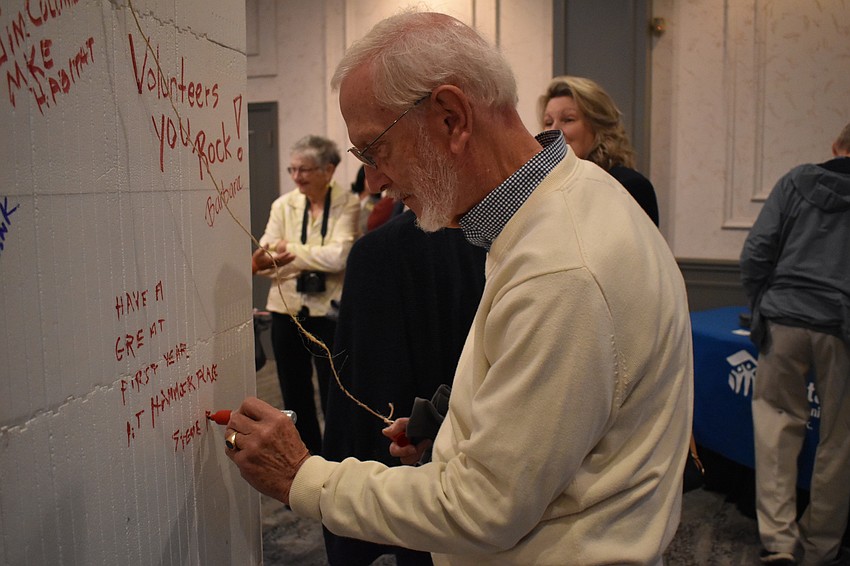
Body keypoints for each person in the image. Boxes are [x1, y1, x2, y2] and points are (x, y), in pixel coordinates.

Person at [228, 11, 692, 564]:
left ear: (451, 118)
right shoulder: (569, 198)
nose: (374, 181)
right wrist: (455, 425)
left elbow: (482, 509)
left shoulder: (562, 270)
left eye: (376, 151)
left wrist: (302, 476)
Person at [321, 208, 487, 565]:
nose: (375, 177)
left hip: (453, 465)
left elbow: (359, 393)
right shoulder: (495, 239)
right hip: (450, 440)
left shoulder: (377, 252)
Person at [740, 122, 850, 566]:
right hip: (841, 327)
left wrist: (763, 304)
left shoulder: (796, 181)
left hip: (784, 317)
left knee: (775, 430)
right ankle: (822, 546)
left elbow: (756, 251)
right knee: (839, 442)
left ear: (836, 145)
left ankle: (779, 543)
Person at [252, 134, 360, 455]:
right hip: (286, 310)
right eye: (293, 169)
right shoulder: (282, 205)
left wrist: (288, 252)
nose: (297, 177)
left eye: (305, 170)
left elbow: (339, 257)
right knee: (293, 393)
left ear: (328, 170)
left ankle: (338, 463)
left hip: (329, 313)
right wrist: (303, 255)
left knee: (333, 391)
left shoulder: (346, 203)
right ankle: (302, 463)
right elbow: (264, 258)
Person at [538, 75, 660, 226]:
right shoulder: (544, 191)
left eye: (568, 119)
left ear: (598, 126)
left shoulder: (629, 186)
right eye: (548, 122)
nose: (554, 130)